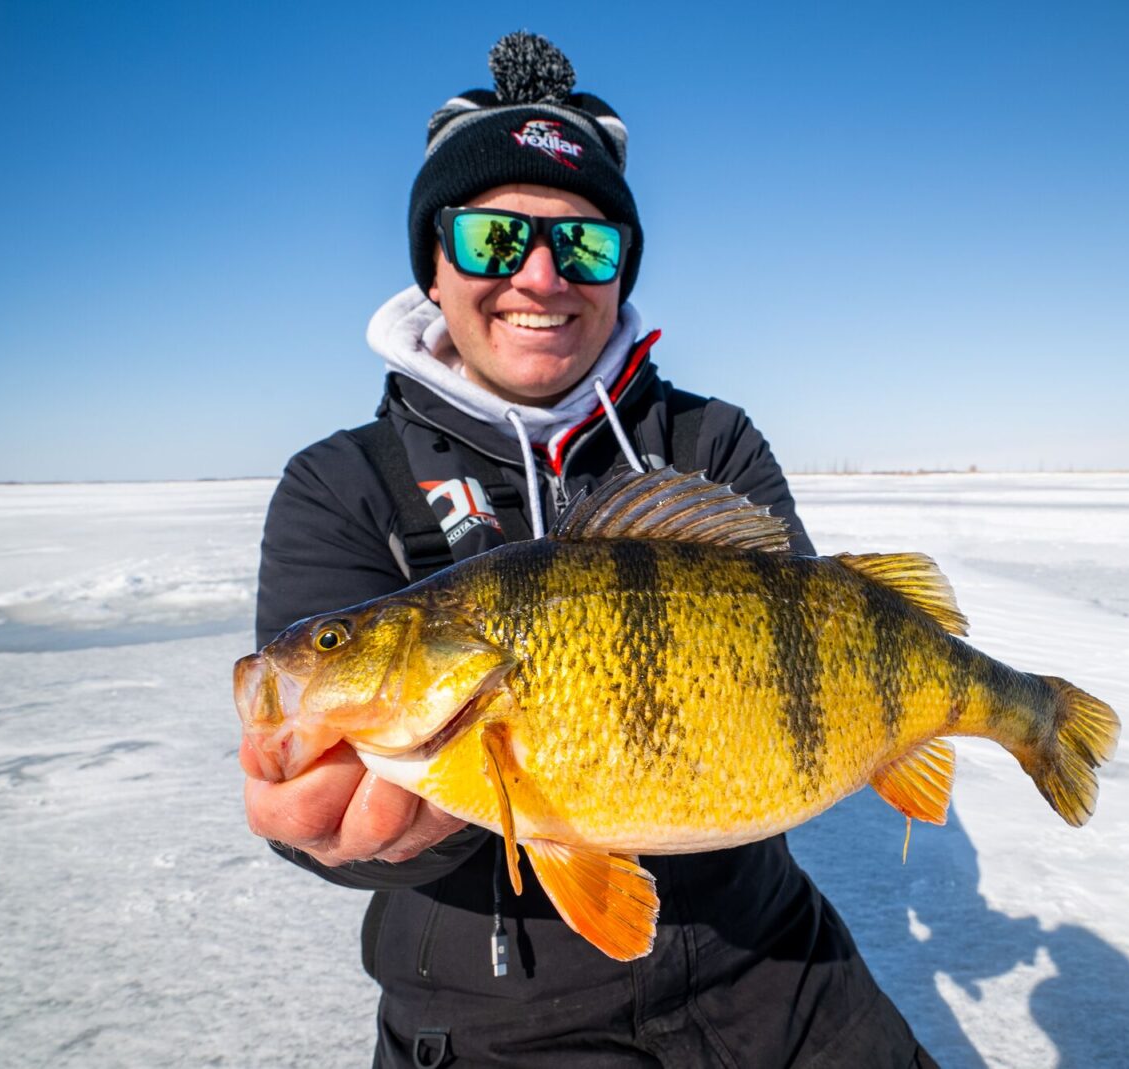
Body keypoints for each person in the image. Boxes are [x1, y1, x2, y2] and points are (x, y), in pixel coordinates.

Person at [241, 32, 937, 1068]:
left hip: (774, 966)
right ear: (433, 264)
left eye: (584, 244)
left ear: (618, 272)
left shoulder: (712, 441)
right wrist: (337, 838)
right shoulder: (339, 484)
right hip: (490, 1013)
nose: (538, 274)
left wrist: (901, 730)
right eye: (489, 238)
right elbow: (328, 807)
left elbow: (806, 664)